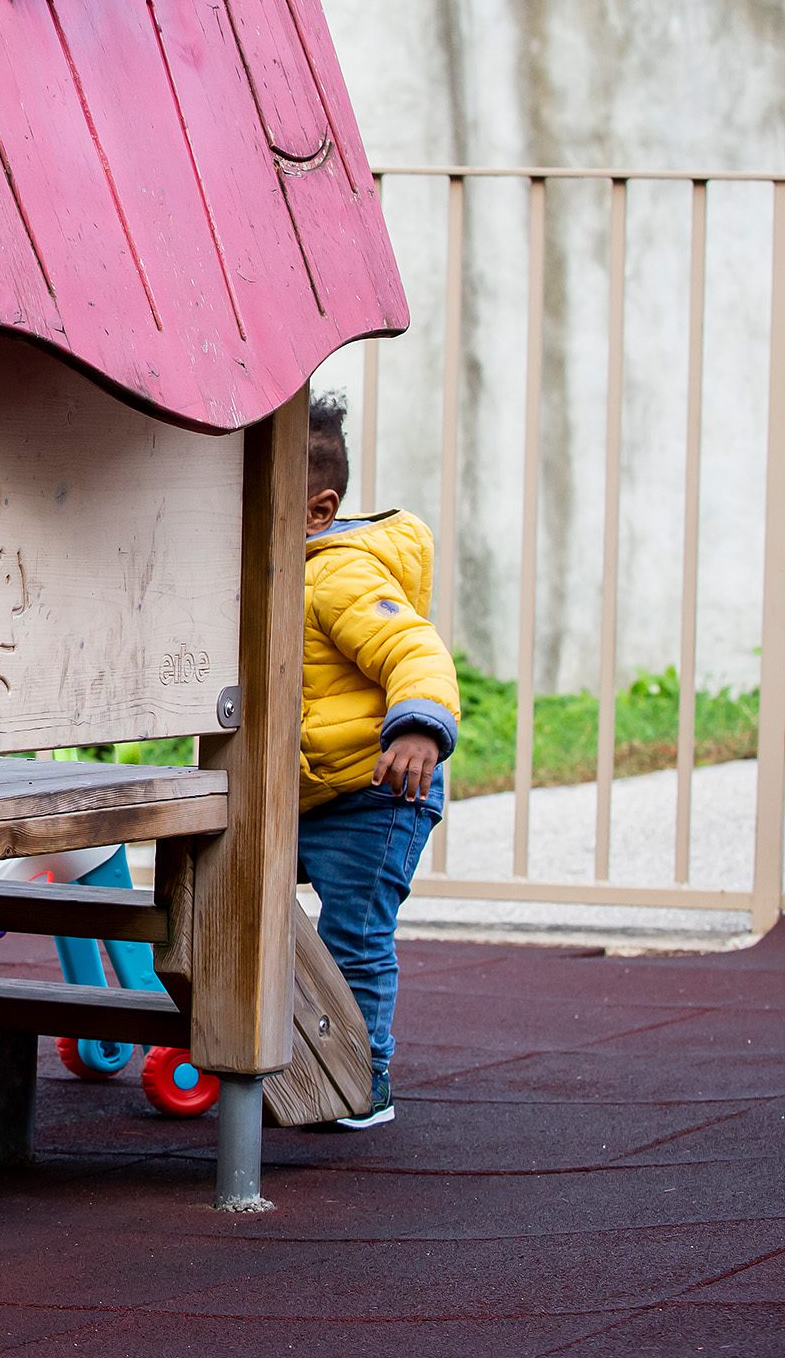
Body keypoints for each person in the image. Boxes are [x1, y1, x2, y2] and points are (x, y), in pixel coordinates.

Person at [298, 391, 460, 1129]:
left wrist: (419, 729)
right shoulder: (262, 574)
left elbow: (413, 648)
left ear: (317, 510)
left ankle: (364, 1079)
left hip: (379, 789)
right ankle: (281, 1043)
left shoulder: (341, 576)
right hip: (306, 792)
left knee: (354, 933)